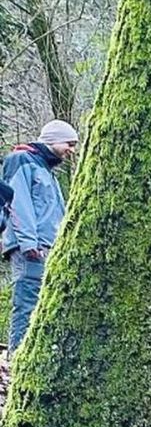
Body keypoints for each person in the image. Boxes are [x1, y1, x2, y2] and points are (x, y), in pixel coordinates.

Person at [2, 119, 80, 349]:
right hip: (30, 249)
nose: (71, 150)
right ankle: (17, 358)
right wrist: (28, 243)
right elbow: (17, 203)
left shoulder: (46, 168)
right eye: (69, 143)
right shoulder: (21, 160)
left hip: (47, 248)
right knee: (27, 302)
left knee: (44, 305)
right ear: (54, 139)